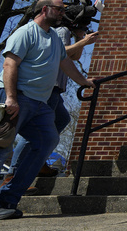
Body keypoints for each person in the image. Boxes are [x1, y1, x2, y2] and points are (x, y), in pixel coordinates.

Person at [0, 0, 94, 220]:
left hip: (40, 102)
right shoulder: (25, 32)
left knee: (47, 140)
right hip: (15, 96)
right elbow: (9, 63)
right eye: (59, 9)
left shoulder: (54, 39)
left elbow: (65, 62)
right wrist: (10, 98)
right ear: (44, 9)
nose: (63, 13)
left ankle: (8, 197)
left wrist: (84, 82)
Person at [7, 21, 99, 183]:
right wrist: (83, 41)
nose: (85, 27)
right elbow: (59, 53)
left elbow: (74, 56)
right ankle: (14, 173)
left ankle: (38, 160)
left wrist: (80, 38)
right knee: (36, 129)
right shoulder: (62, 31)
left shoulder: (69, 34)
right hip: (49, 88)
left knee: (62, 119)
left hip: (56, 89)